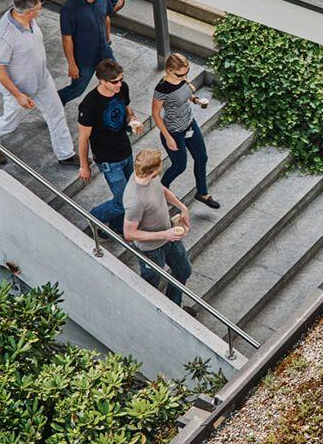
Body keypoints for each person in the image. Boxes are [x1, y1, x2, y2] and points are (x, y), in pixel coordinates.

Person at [0, 0, 78, 166]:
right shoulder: (5, 36)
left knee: (56, 113)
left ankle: (65, 154)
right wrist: (18, 95)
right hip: (20, 88)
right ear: (29, 12)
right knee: (9, 123)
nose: (41, 9)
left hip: (41, 79)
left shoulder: (29, 20)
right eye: (39, 7)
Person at [77, 59, 142, 233]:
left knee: (130, 195)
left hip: (125, 151)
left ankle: (116, 226)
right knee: (123, 201)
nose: (119, 84)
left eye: (121, 80)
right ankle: (95, 218)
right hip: (107, 159)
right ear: (102, 81)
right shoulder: (90, 104)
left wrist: (132, 119)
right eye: (114, 82)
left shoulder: (122, 88)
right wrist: (84, 165)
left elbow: (128, 110)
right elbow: (83, 138)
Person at [123, 148, 192, 307]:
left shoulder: (150, 177)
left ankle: (174, 306)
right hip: (151, 250)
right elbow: (129, 234)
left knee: (183, 271)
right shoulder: (135, 200)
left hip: (169, 237)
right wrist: (165, 234)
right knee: (150, 285)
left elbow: (161, 189)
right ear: (152, 171)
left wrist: (182, 208)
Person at [152, 53, 220, 209]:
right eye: (180, 74)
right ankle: (162, 189)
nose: (184, 77)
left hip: (190, 124)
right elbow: (155, 114)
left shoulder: (182, 81)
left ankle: (202, 193)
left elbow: (186, 94)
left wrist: (196, 100)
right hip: (174, 131)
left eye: (186, 73)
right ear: (169, 70)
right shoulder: (162, 89)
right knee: (179, 166)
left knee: (202, 158)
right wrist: (167, 137)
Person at [58, 0, 115, 106]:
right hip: (84, 59)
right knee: (76, 90)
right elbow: (67, 38)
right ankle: (54, 103)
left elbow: (106, 17)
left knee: (115, 79)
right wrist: (72, 64)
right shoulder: (69, 9)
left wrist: (108, 37)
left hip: (104, 51)